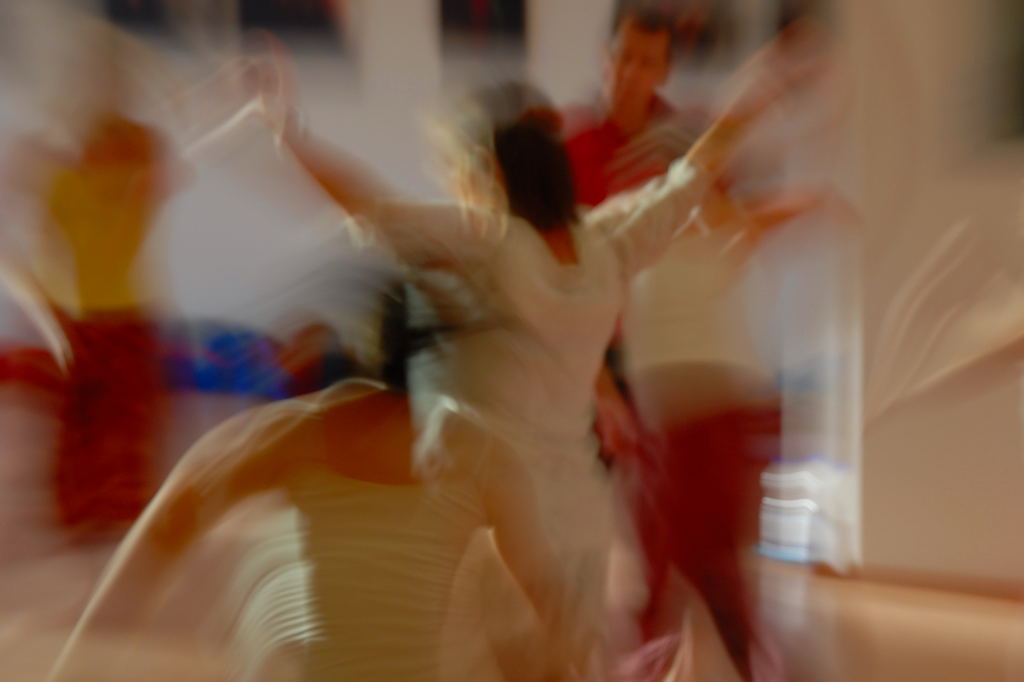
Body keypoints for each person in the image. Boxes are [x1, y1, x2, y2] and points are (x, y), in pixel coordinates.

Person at [240, 25, 821, 677]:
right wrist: (763, 88)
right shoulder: (608, 242)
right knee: (559, 667)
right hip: (577, 518)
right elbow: (699, 167)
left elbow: (365, 202)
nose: (454, 183)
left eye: (459, 171)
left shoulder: (485, 246)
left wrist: (284, 128)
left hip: (495, 521)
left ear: (490, 175)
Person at [47, 282, 588, 682]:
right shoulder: (483, 454)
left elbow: (174, 517)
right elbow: (551, 604)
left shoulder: (301, 432)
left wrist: (77, 662)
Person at [563, 6, 829, 681]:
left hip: (688, 409)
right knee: (699, 577)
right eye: (624, 58)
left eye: (647, 61)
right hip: (679, 402)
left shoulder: (660, 210)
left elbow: (726, 153)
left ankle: (711, 664)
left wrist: (770, 90)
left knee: (685, 579)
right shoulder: (631, 193)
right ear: (607, 57)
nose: (631, 74)